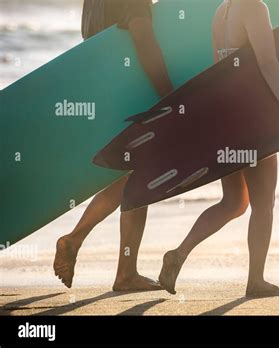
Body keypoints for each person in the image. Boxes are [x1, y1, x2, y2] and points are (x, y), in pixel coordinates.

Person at [159, 0, 279, 298]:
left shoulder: (222, 12)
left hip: (228, 118)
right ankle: (256, 281)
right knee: (263, 205)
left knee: (234, 202)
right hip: (252, 120)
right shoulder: (254, 7)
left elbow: (220, 71)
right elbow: (268, 62)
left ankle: (178, 254)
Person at [53, 0, 173, 291]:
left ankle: (120, 268)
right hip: (128, 92)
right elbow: (143, 39)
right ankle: (104, 258)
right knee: (140, 173)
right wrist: (170, 95)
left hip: (100, 91)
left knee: (131, 174)